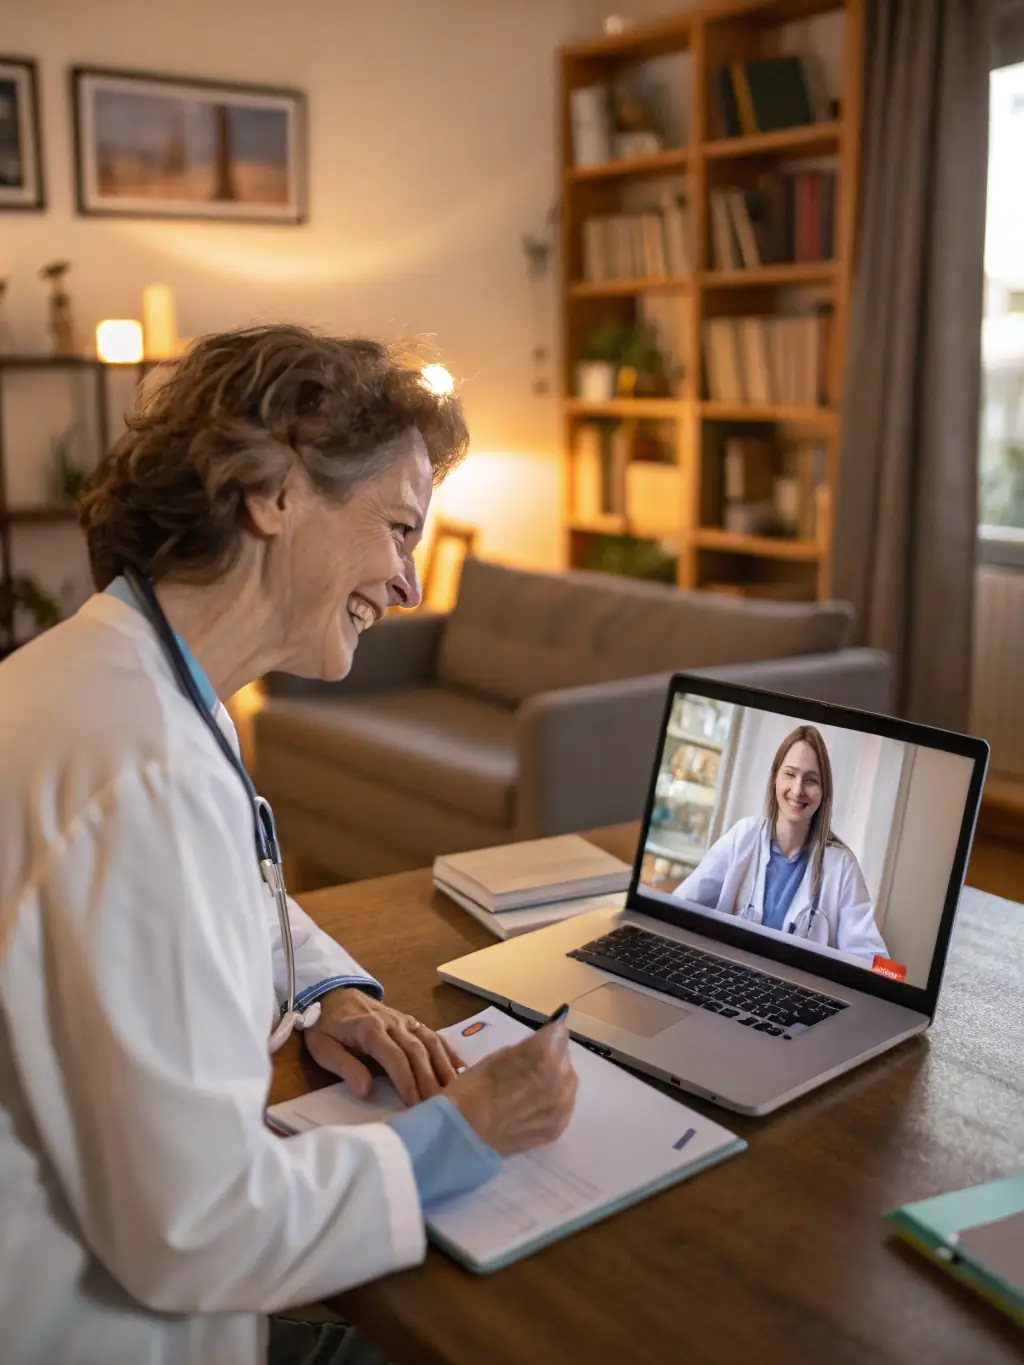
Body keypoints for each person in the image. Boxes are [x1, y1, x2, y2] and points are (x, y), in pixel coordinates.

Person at [0, 326, 578, 1365]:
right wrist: (467, 1130)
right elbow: (198, 1230)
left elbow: (208, 889)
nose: (408, 583)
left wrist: (326, 993)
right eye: (400, 529)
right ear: (275, 492)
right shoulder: (145, 771)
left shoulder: (112, 679)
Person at [673, 725, 888, 962]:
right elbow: (677, 907)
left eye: (811, 780)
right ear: (775, 777)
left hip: (800, 994)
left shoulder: (841, 867)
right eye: (790, 774)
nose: (797, 790)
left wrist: (895, 975)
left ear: (824, 791)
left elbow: (877, 964)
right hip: (727, 978)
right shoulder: (743, 837)